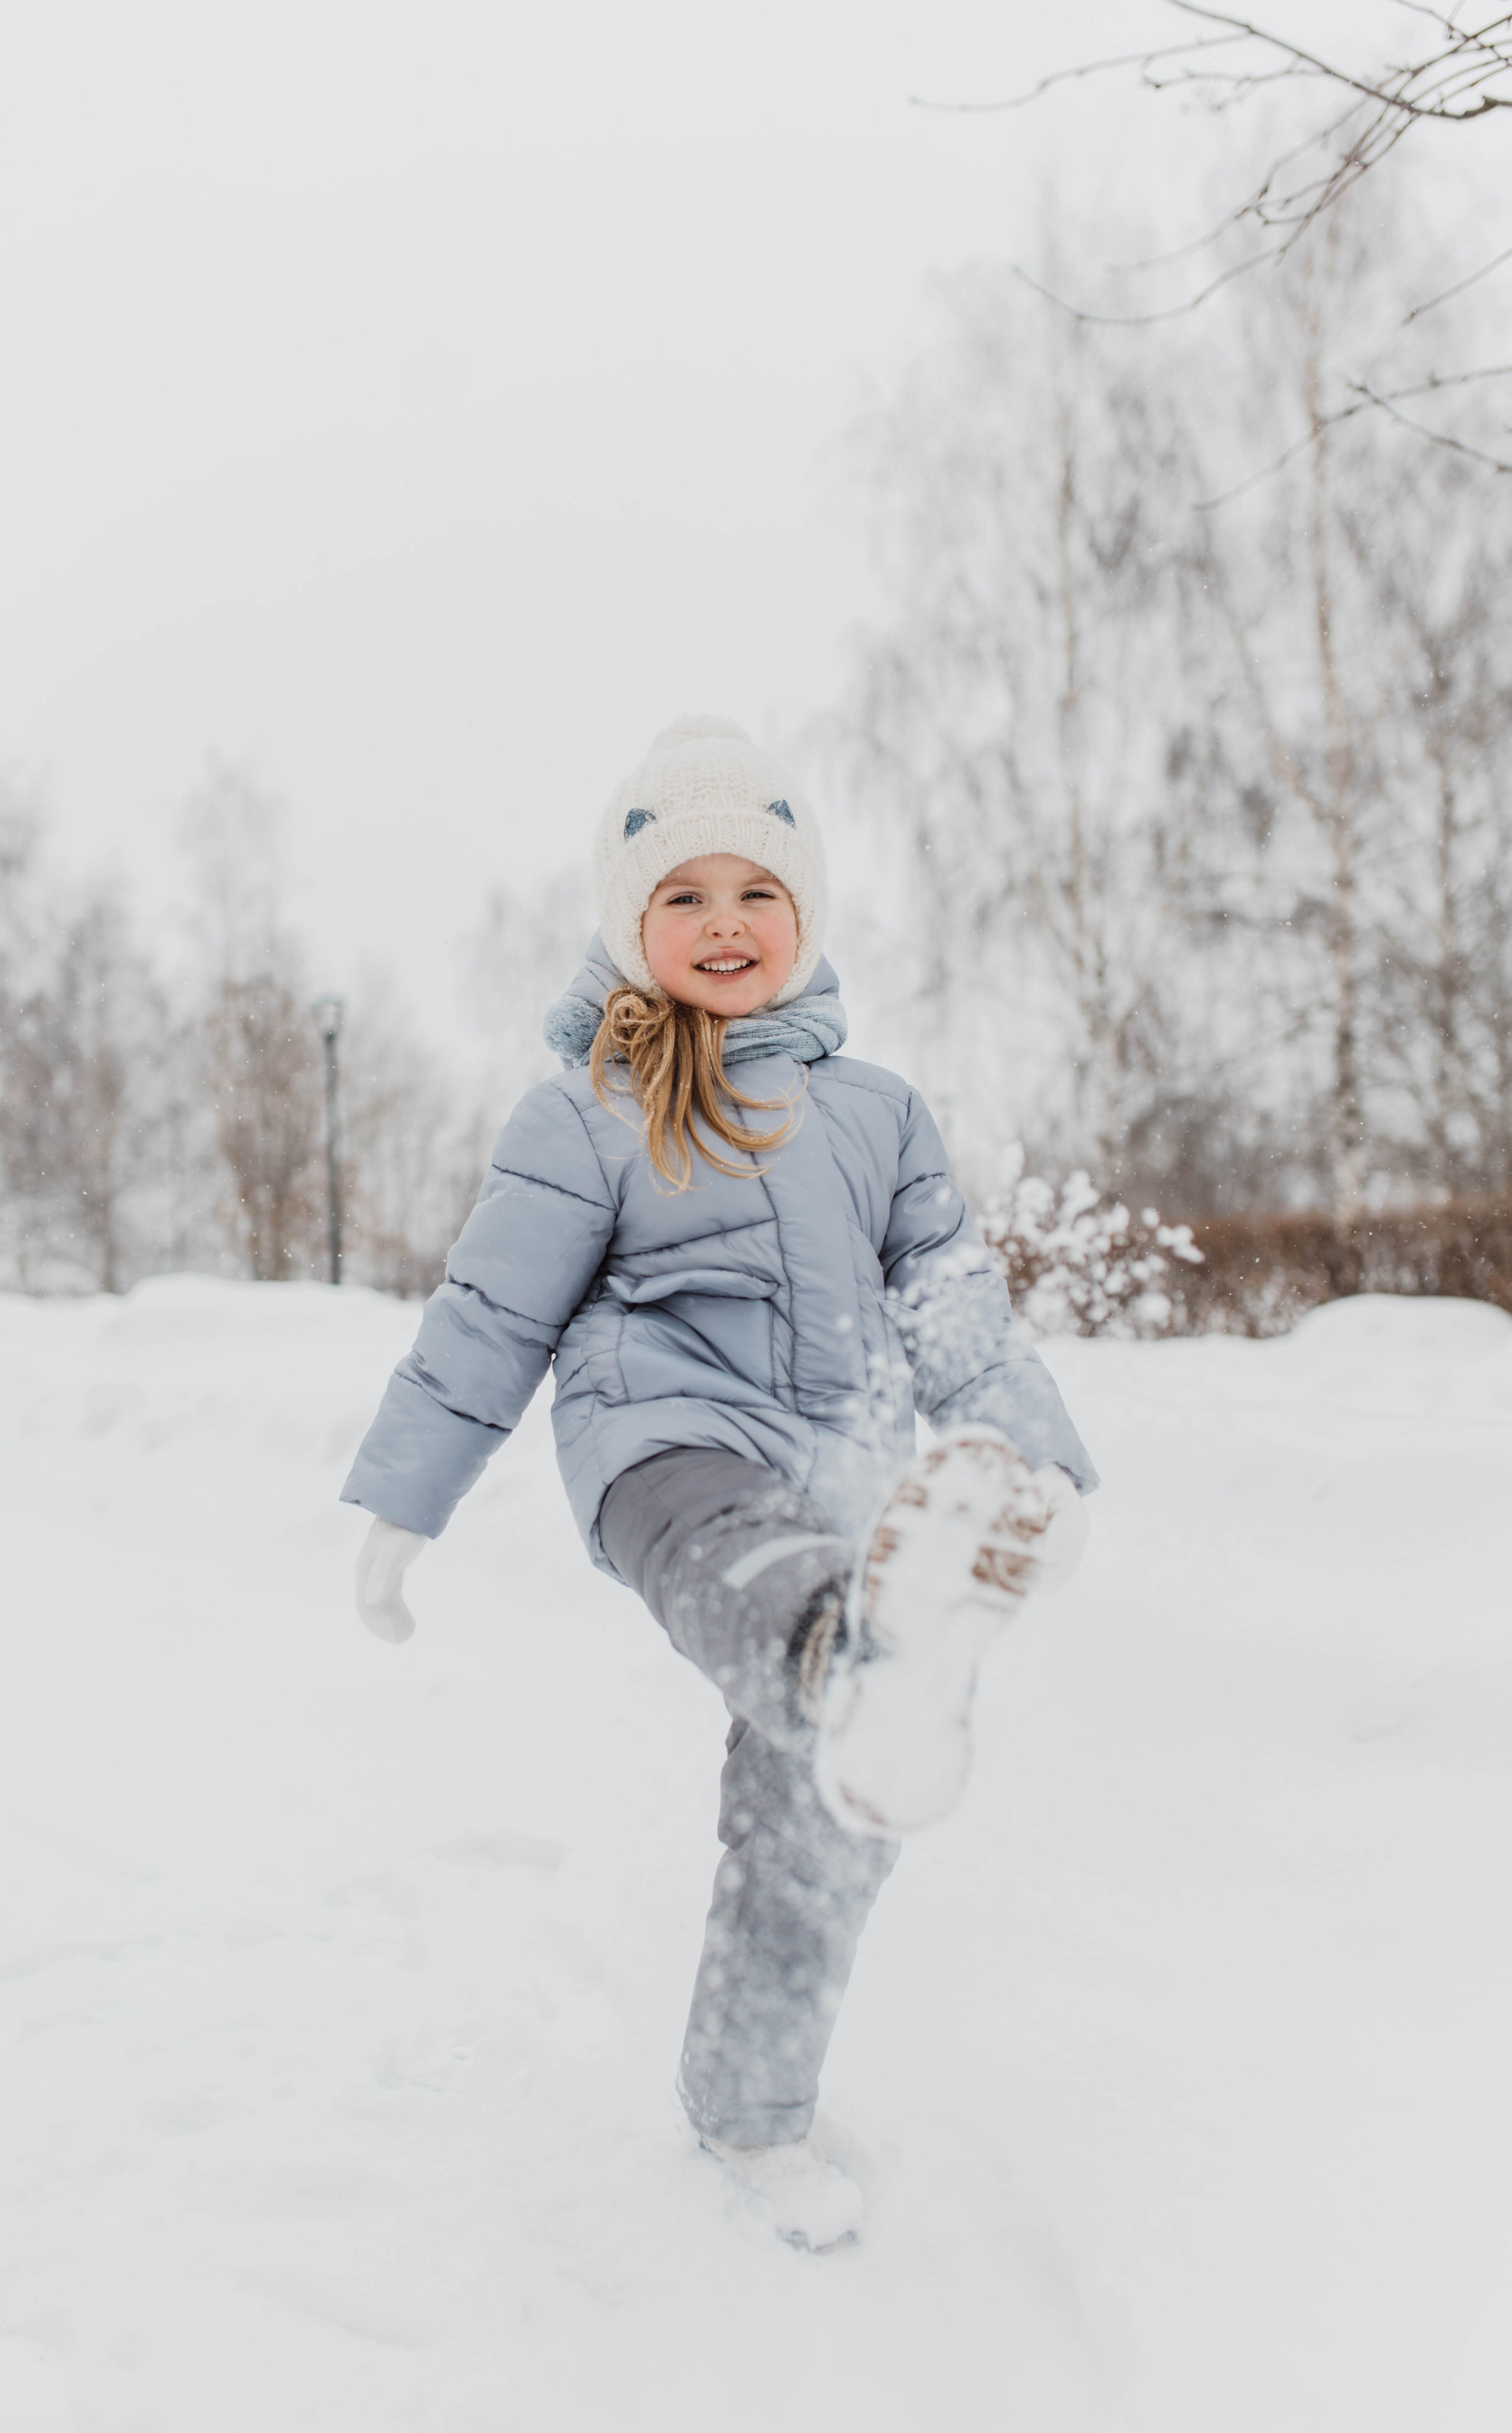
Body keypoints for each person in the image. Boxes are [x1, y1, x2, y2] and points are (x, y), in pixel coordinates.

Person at [343, 713, 1097, 2251]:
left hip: (844, 1476)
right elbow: (489, 1319)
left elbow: (951, 1303)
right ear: (632, 929)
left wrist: (1036, 1460)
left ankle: (750, 2103)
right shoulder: (583, 1114)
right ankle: (853, 1652)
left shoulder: (877, 1113)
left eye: (754, 890)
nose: (722, 922)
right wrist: (399, 1507)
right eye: (680, 896)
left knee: (827, 1801)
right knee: (772, 1587)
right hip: (661, 1449)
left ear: (803, 916)